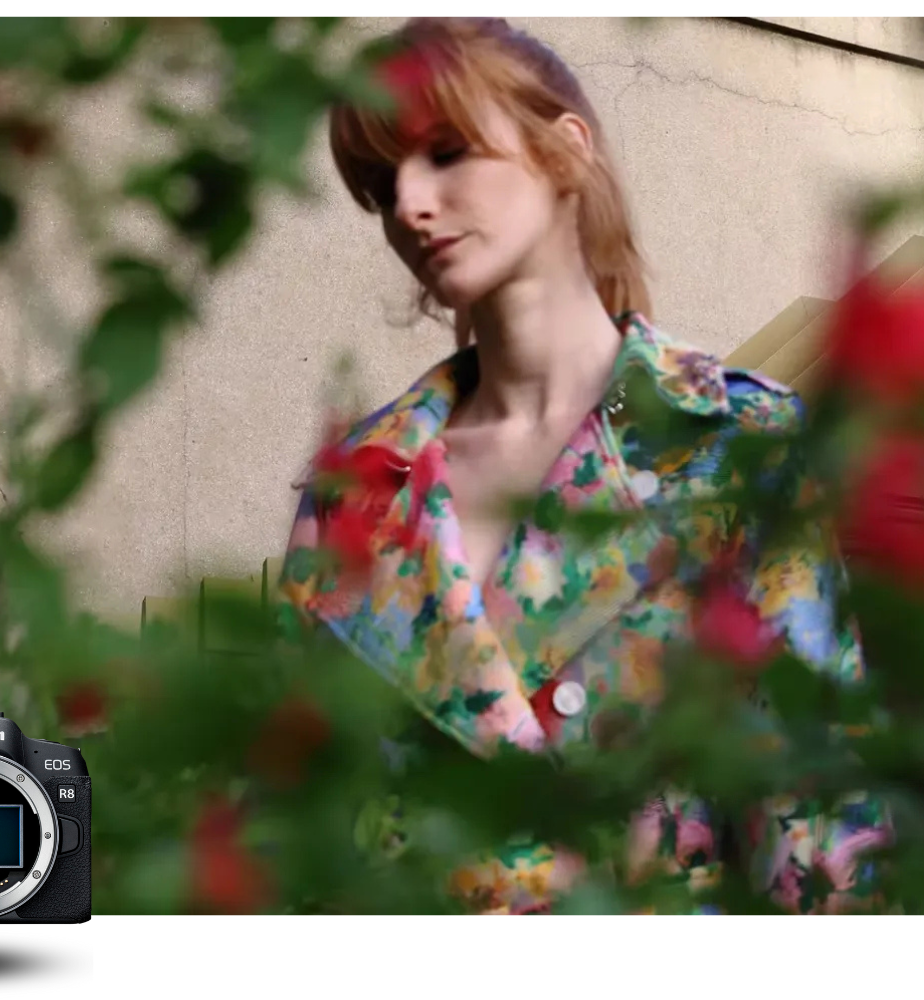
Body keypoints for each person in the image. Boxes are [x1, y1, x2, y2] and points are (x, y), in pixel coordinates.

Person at [278, 17, 889, 914]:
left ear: (566, 150)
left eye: (445, 154)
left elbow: (816, 833)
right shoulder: (358, 489)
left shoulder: (729, 441)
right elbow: (296, 832)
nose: (408, 204)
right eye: (381, 184)